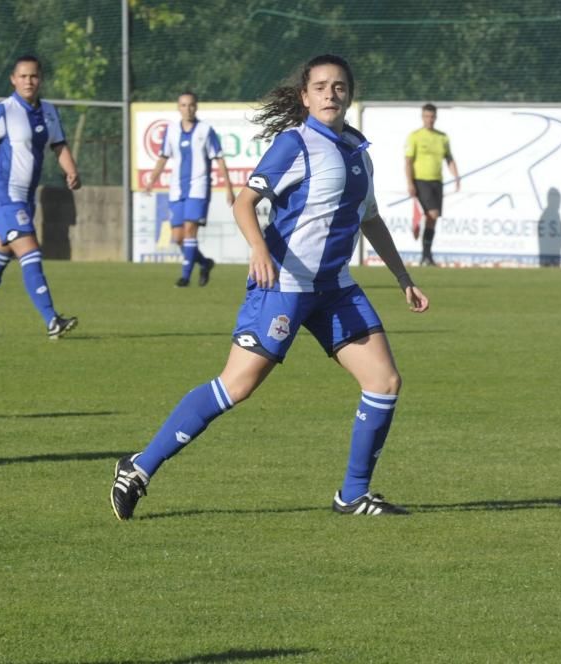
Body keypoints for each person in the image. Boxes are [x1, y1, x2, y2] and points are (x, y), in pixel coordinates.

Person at [111, 54, 430, 520]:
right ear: (305, 97)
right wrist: (258, 250)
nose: (330, 94)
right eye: (320, 87)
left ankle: (352, 494)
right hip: (283, 285)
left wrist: (403, 278)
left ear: (350, 94)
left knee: (384, 382)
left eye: (338, 87)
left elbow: (371, 218)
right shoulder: (294, 144)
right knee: (236, 386)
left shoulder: (357, 151)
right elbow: (245, 203)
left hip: (335, 288)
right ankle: (138, 467)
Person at [0, 55, 81, 339]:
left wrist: (72, 172)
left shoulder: (49, 111)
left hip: (25, 198)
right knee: (30, 250)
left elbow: (59, 146)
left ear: (41, 79)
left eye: (34, 76)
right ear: (13, 79)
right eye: (23, 76)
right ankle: (52, 320)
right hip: (1, 194)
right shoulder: (4, 111)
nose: (29, 81)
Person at [144, 91, 235, 287]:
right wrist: (152, 180)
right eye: (183, 105)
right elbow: (163, 157)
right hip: (177, 189)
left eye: (191, 105)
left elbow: (219, 159)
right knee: (177, 238)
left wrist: (229, 188)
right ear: (178, 108)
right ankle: (204, 263)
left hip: (198, 188)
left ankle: (185, 277)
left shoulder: (205, 130)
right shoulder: (171, 130)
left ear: (196, 107)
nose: (188, 109)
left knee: (189, 231)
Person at [405, 103, 460, 266]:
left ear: (435, 117)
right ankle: (425, 252)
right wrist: (410, 183)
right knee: (432, 214)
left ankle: (426, 256)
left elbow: (449, 158)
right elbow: (408, 161)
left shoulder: (442, 137)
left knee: (432, 219)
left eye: (432, 116)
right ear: (422, 117)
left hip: (437, 181)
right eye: (426, 116)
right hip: (421, 180)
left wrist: (456, 177)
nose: (429, 119)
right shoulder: (415, 136)